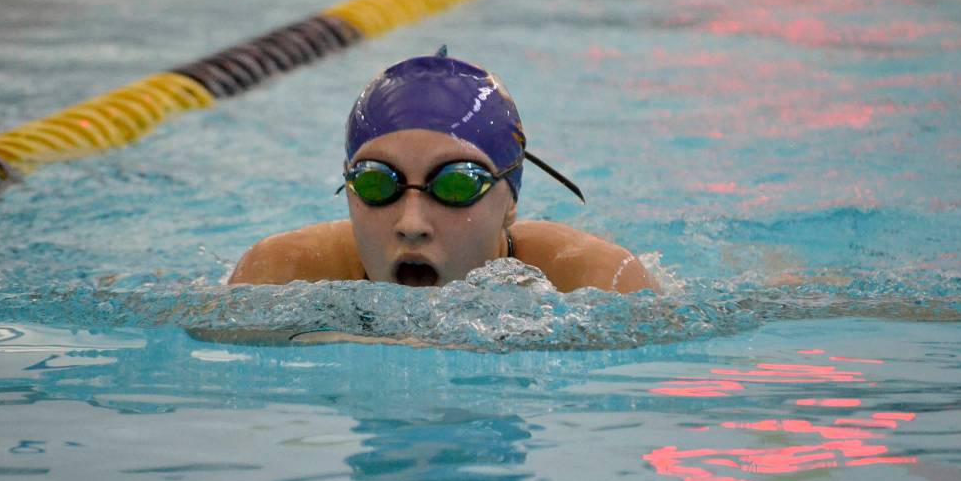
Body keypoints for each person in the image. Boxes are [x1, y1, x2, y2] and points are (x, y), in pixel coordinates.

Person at [229, 49, 659, 294]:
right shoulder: (281, 274)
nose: (411, 224)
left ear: (510, 202)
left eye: (456, 185)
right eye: (377, 183)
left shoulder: (596, 282)